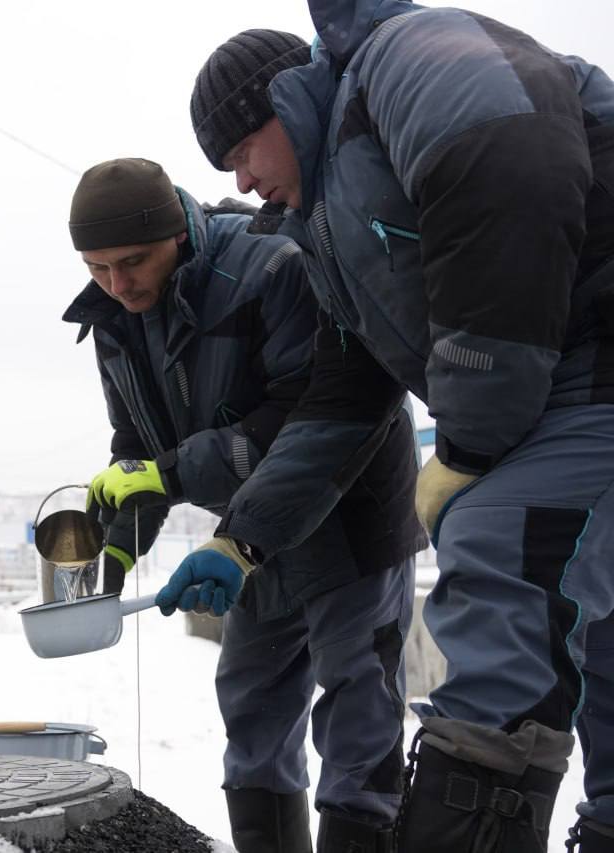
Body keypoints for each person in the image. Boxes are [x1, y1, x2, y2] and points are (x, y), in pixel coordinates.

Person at [183, 12, 614, 852]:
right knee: (598, 634)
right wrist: (244, 538)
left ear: (279, 101)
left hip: (589, 358)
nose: (238, 184)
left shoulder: (404, 58)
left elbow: (511, 162)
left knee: (505, 560)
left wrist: (471, 444)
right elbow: (342, 399)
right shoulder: (331, 231)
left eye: (239, 154)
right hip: (552, 385)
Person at [66, 157, 424, 852]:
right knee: (252, 703)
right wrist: (114, 550)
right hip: (248, 534)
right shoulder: (115, 314)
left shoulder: (271, 266)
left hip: (345, 507)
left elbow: (305, 417)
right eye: (97, 267)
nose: (117, 283)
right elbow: (139, 443)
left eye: (133, 261)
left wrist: (169, 473)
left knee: (358, 710)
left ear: (177, 231)